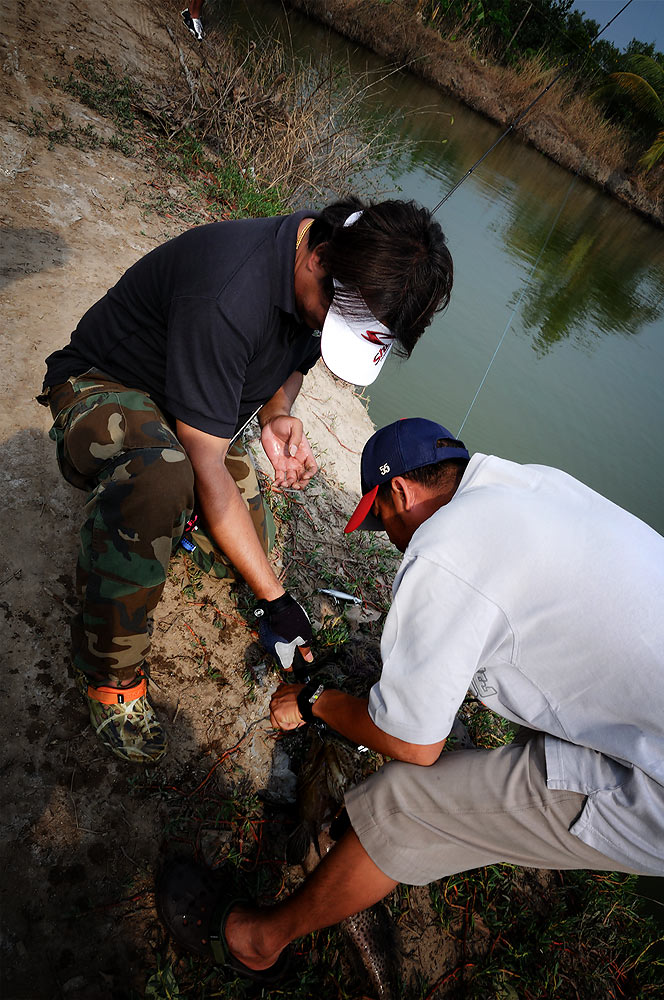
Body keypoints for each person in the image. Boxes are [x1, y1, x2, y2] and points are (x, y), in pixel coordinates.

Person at [156, 417, 664, 983]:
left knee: (406, 803)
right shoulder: (532, 484)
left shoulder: (447, 547)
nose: (391, 538)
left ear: (400, 491)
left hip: (655, 783)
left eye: (381, 520)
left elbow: (413, 744)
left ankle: (257, 942)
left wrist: (316, 700)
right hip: (644, 710)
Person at [38, 202, 454, 764]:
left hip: (180, 406)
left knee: (249, 540)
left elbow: (298, 357)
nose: (324, 327)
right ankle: (110, 673)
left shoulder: (343, 257)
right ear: (319, 259)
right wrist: (276, 598)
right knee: (164, 477)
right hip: (101, 388)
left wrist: (278, 413)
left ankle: (160, 521)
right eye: (331, 316)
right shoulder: (229, 293)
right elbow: (205, 464)